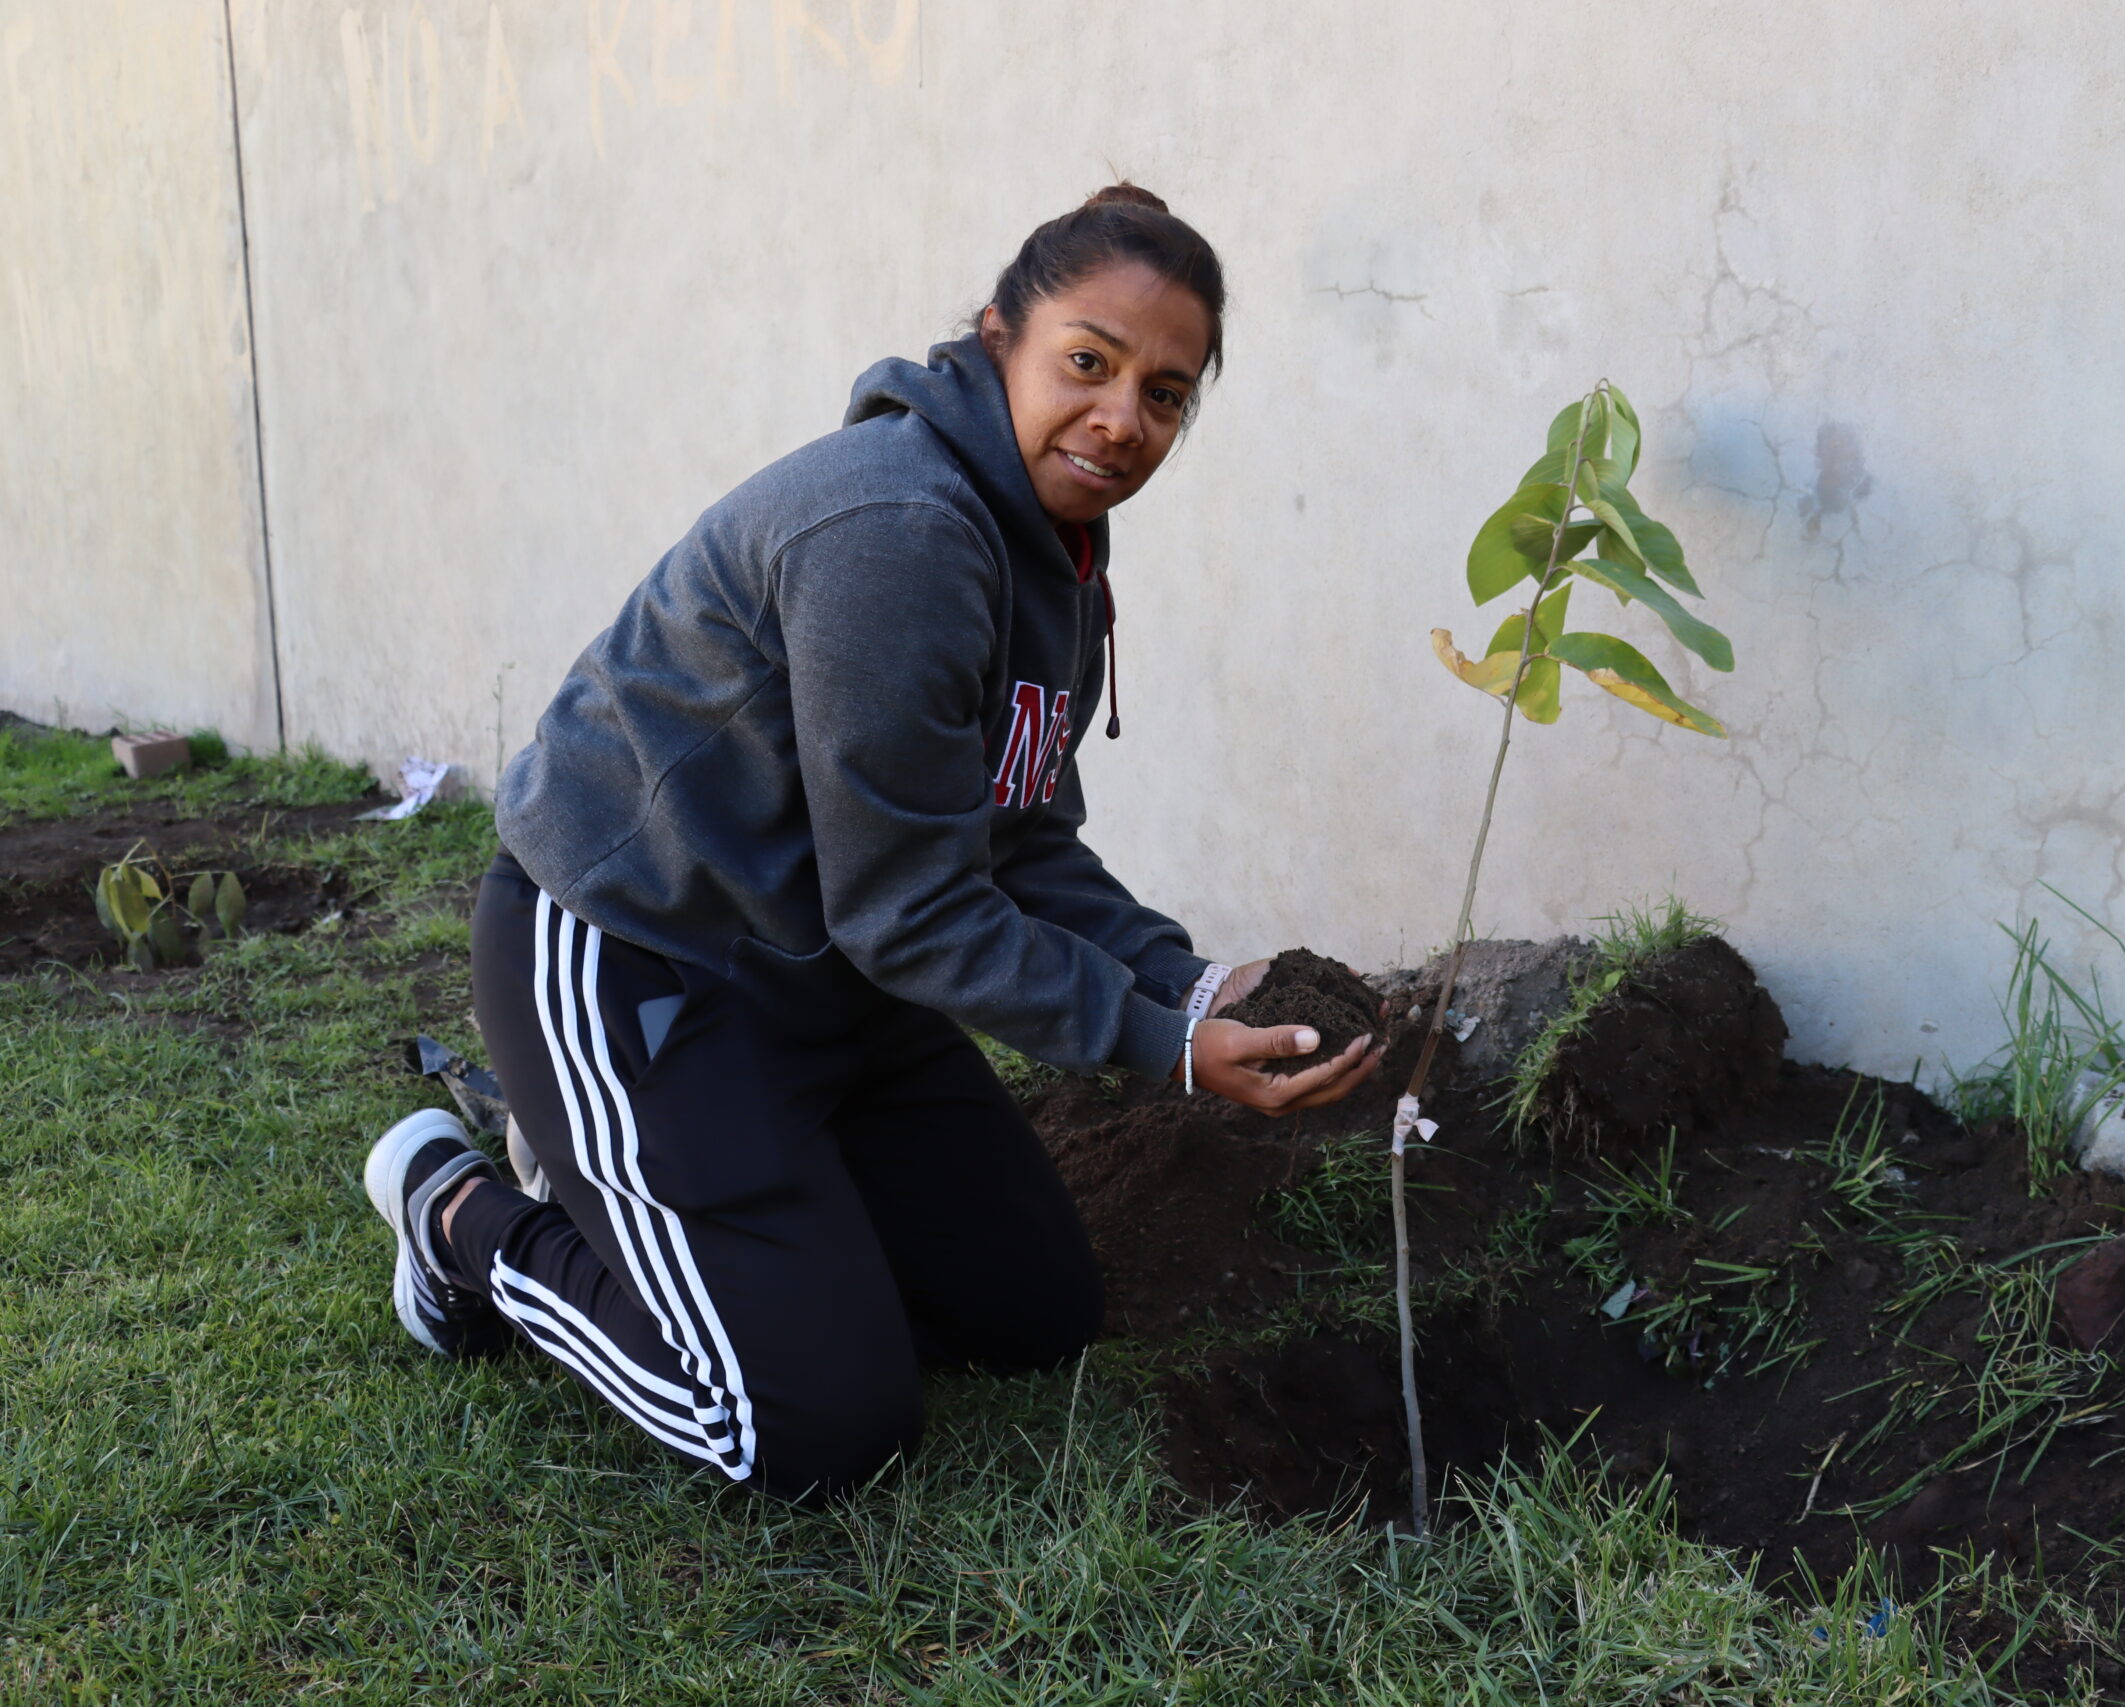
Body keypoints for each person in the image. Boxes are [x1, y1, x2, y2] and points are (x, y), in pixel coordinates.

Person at [361, 185, 1379, 1499]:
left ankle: (678, 1189)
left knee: (1032, 1312)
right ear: (1000, 334)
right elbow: (914, 912)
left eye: (1166, 393)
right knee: (803, 1428)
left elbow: (1019, 842)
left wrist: (1189, 986)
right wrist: (1163, 1046)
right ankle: (464, 1214)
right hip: (645, 957)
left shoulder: (1056, 551)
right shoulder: (897, 533)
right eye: (1090, 362)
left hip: (827, 972)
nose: (1124, 419)